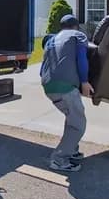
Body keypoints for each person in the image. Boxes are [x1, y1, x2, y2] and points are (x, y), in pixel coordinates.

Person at [40, 14, 95, 172]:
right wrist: (84, 81)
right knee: (78, 124)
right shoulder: (78, 35)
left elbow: (43, 66)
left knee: (72, 118)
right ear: (76, 26)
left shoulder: (52, 39)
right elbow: (82, 59)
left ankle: (72, 150)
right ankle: (59, 160)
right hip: (65, 86)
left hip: (48, 85)